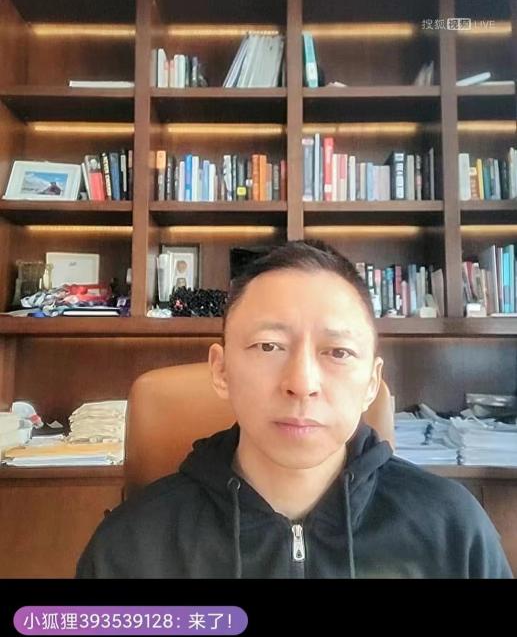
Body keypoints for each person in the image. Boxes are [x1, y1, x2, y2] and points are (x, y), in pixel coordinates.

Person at [76, 240, 513, 579]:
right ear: (221, 370)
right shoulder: (131, 547)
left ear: (371, 383)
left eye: (338, 352)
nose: (302, 383)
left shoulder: (453, 530)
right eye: (269, 346)